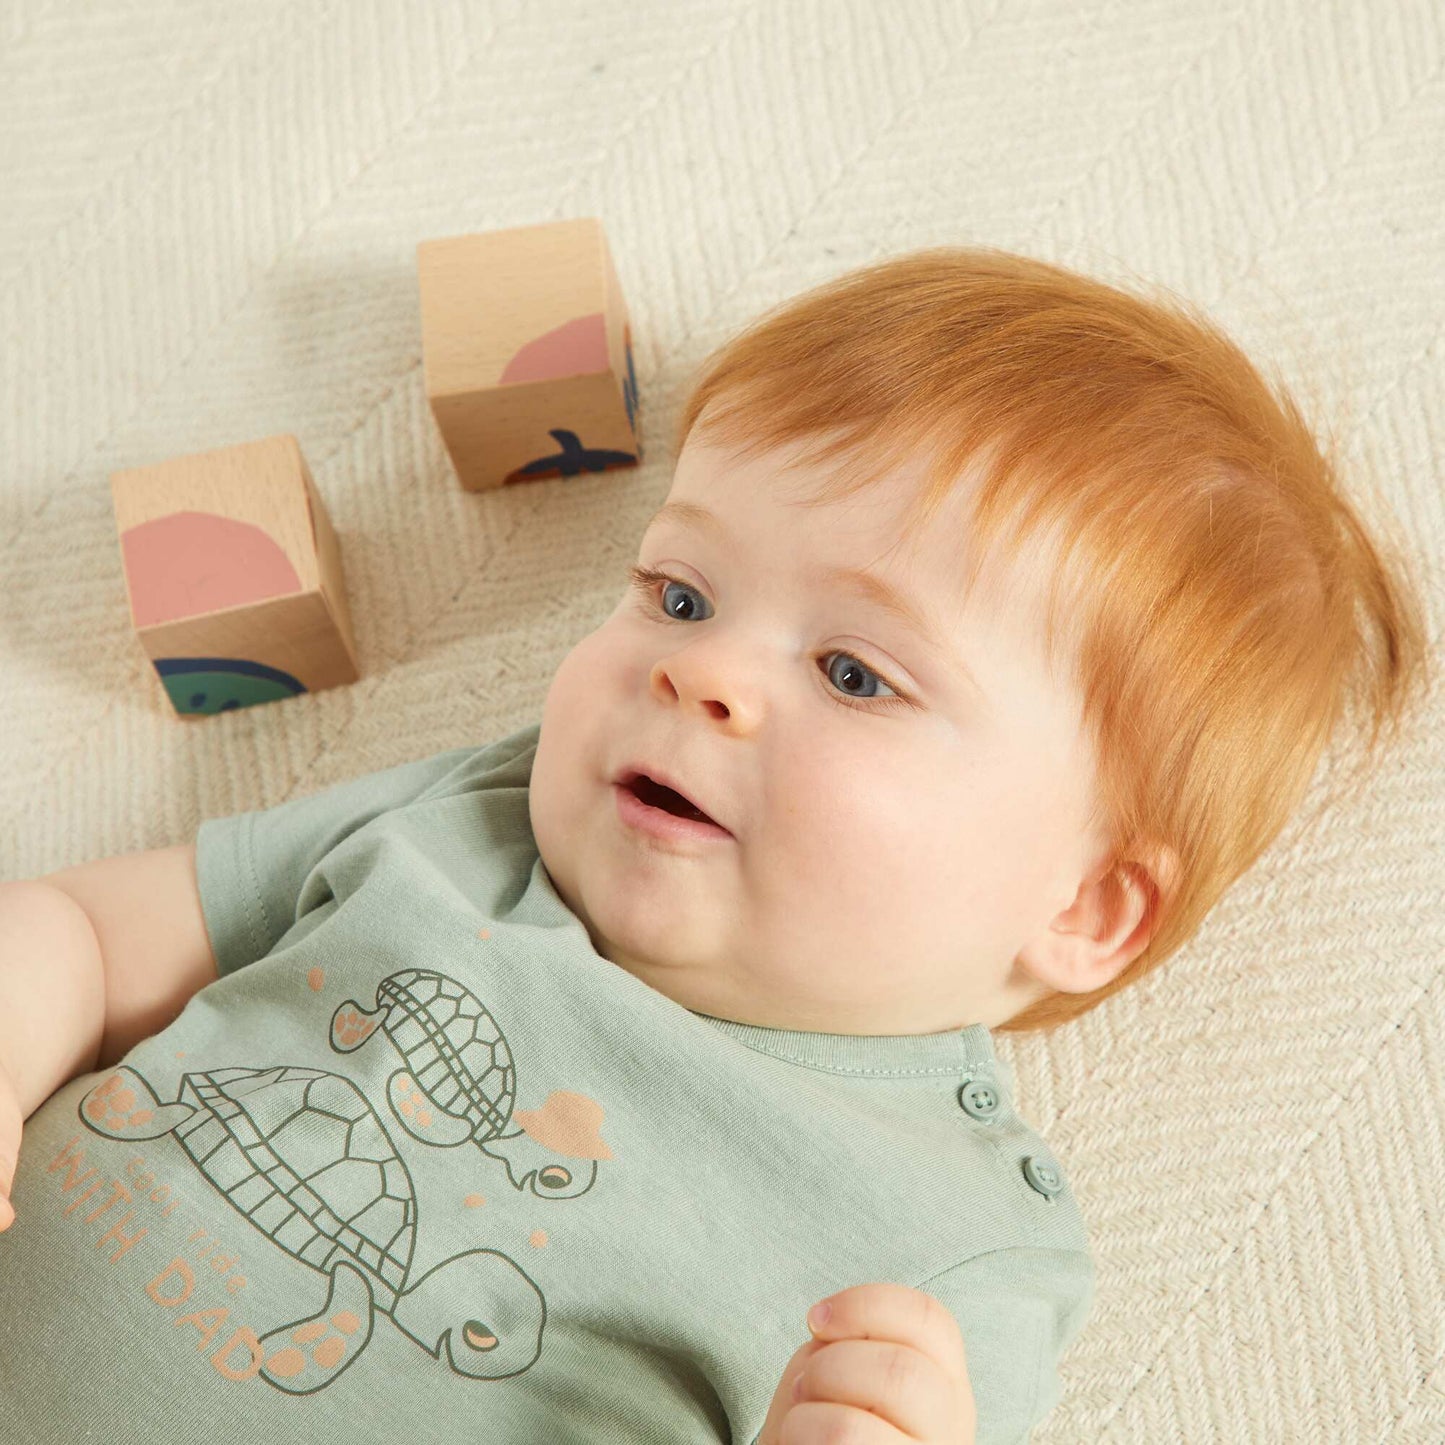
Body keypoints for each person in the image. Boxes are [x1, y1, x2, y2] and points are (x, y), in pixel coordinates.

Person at [0, 247, 1430, 1445]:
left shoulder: (940, 1241)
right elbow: (81, 927)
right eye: (679, 593)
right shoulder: (480, 817)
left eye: (857, 673)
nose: (703, 673)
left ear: (1084, 906)